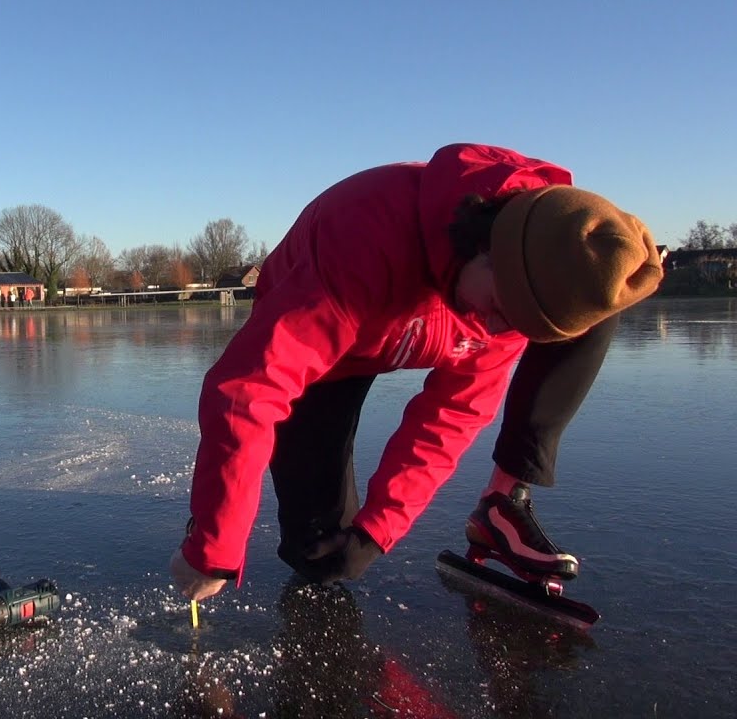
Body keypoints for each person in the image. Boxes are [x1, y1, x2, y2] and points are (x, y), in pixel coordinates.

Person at [169, 143, 664, 602]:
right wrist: (216, 543)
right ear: (486, 252)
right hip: (334, 346)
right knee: (318, 556)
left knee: (594, 297)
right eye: (497, 309)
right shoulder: (364, 238)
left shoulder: (529, 285)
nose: (493, 330)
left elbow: (451, 417)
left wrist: (379, 528)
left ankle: (504, 499)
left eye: (512, 325)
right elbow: (247, 390)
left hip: (416, 313)